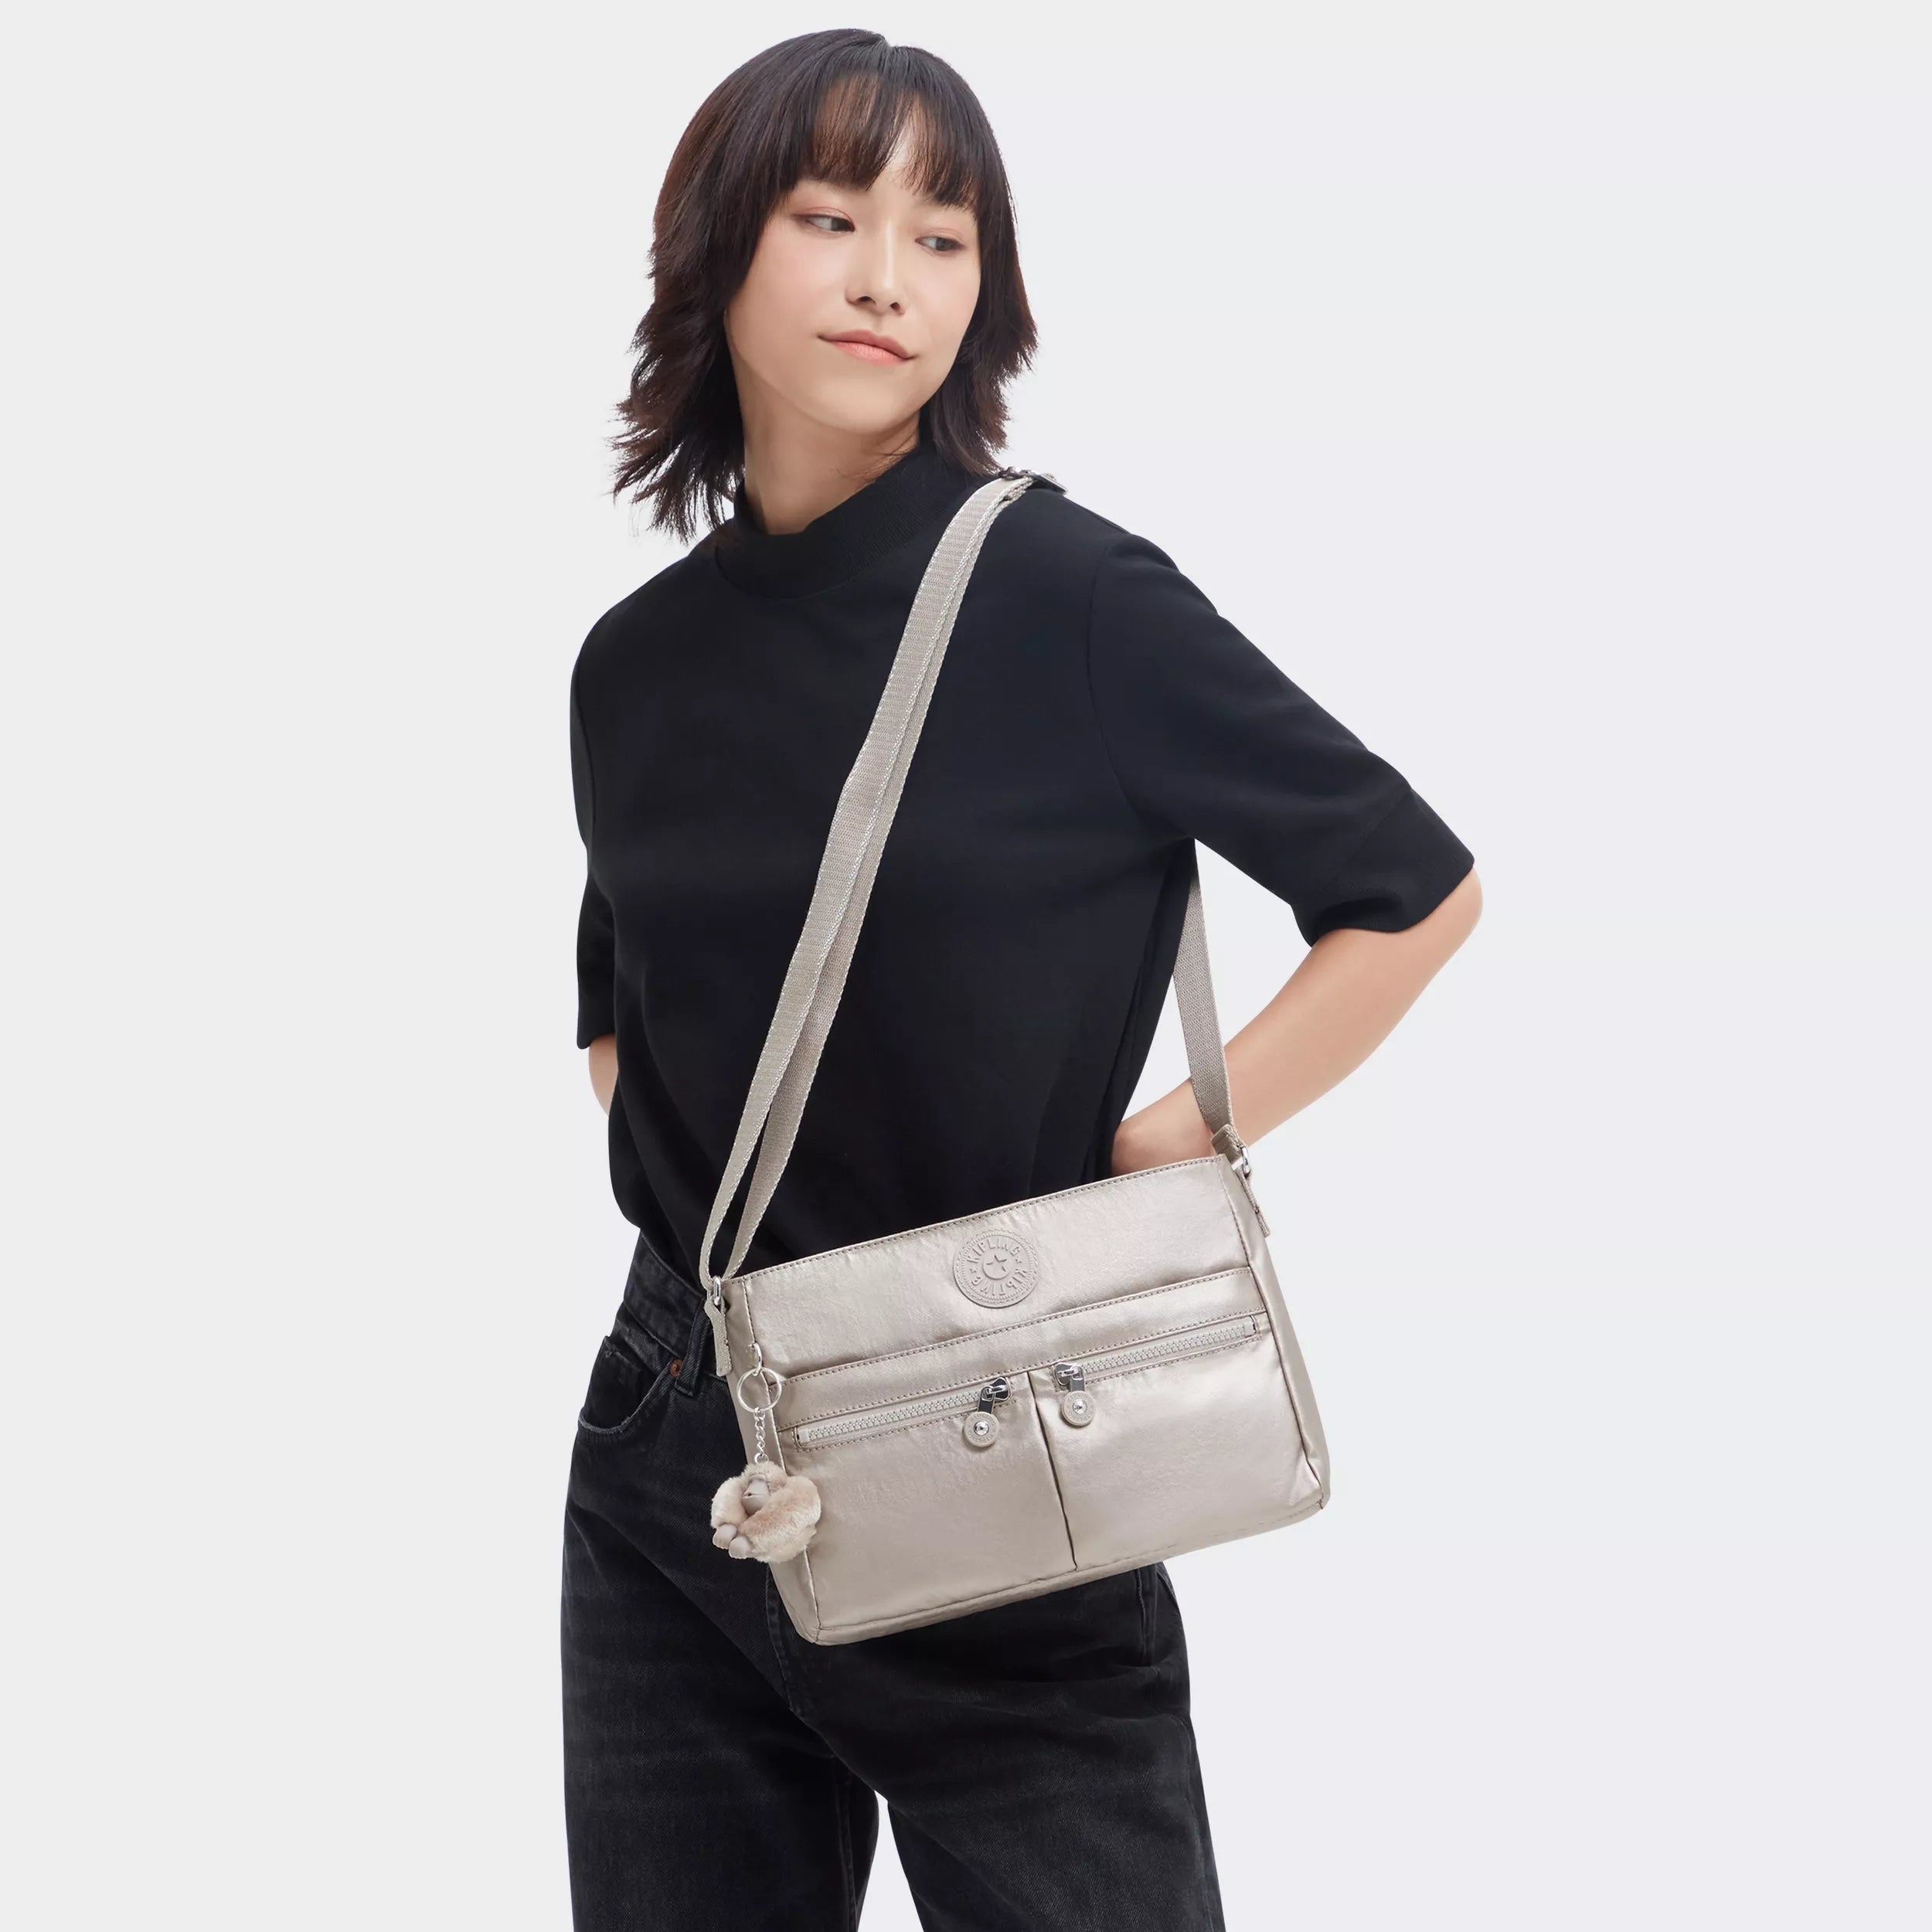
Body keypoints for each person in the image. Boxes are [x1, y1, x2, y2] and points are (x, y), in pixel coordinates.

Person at [561, 29, 1481, 1930]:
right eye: (829, 218)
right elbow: (617, 1002)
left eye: (942, 234)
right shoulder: (632, 661)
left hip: (993, 1419)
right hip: (676, 1449)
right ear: (719, 246)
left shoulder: (1065, 595)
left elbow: (1407, 888)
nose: (888, 277)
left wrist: (1158, 1148)